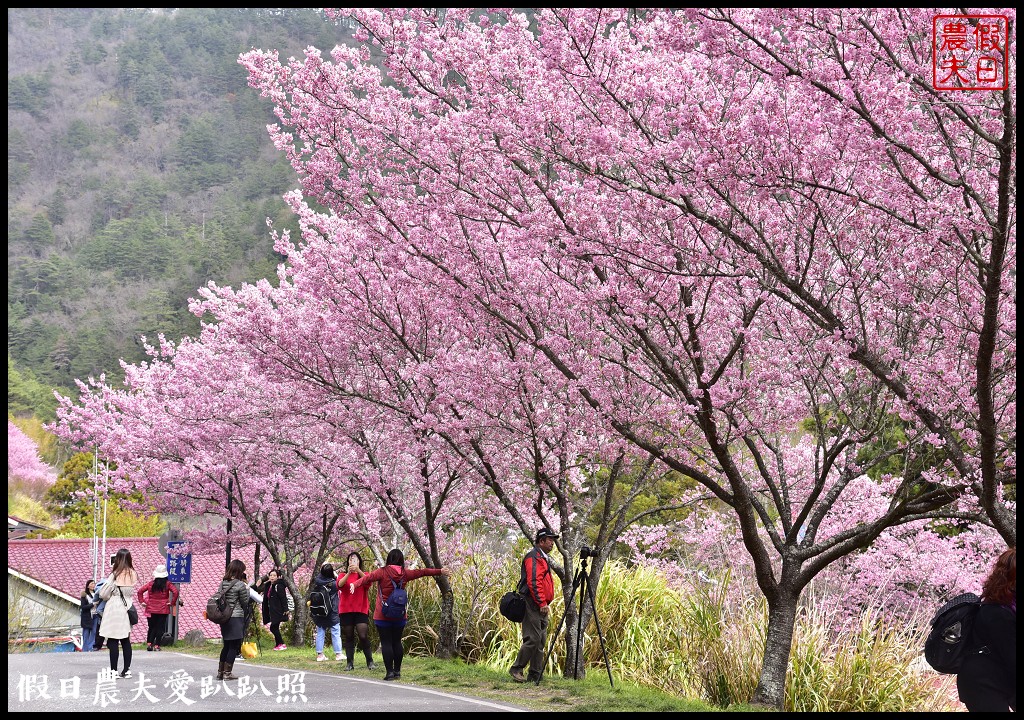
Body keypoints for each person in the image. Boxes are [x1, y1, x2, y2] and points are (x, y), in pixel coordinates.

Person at [350, 548, 451, 681]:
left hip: (382, 614)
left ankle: (389, 673)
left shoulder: (382, 571)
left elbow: (368, 578)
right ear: (401, 560)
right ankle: (397, 671)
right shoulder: (405, 573)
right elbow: (422, 572)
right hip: (399, 614)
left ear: (389, 559)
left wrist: (354, 584)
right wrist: (440, 571)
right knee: (397, 642)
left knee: (386, 643)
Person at [957, 546, 1016, 712]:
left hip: (995, 681)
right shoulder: (998, 613)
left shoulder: (1003, 607)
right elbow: (1012, 657)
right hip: (983, 685)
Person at [509, 528, 559, 683]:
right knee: (533, 638)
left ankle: (535, 675)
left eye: (553, 539)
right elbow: (533, 581)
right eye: (549, 539)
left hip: (541, 604)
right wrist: (541, 602)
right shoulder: (534, 557)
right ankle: (517, 669)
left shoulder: (542, 557)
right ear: (541, 541)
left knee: (541, 640)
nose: (552, 542)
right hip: (533, 602)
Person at [216, 559, 262, 680]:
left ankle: (220, 672)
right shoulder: (240, 584)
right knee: (234, 645)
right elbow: (244, 602)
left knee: (226, 645)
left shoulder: (223, 583)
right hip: (236, 617)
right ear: (239, 571)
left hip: (224, 617)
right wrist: (247, 590)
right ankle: (227, 673)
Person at [98, 548, 140, 678]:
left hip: (114, 607)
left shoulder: (115, 574)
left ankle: (114, 671)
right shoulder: (133, 574)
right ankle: (127, 670)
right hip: (127, 606)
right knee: (125, 640)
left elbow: (103, 594)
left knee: (113, 640)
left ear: (117, 559)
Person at [338, 552, 375, 670]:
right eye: (350, 559)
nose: (352, 561)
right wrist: (349, 573)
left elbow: (368, 582)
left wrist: (358, 570)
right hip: (346, 609)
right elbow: (339, 585)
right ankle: (350, 663)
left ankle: (370, 661)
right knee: (348, 636)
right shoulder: (342, 574)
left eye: (355, 559)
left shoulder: (364, 574)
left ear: (359, 561)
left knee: (363, 635)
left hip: (361, 609)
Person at [137, 563, 179, 652]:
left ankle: (149, 643)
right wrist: (172, 603)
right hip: (163, 609)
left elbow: (140, 591)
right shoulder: (168, 584)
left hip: (151, 608)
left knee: (152, 627)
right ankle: (157, 645)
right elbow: (175, 592)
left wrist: (142, 602)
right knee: (160, 627)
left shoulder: (150, 584)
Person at [309, 563, 343, 662]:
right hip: (332, 611)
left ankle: (320, 655)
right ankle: (338, 654)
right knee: (335, 632)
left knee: (320, 632)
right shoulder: (333, 584)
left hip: (319, 610)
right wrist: (336, 576)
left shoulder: (317, 581)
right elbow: (340, 585)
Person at [253, 568, 292, 650]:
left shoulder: (279, 585)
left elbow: (283, 598)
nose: (272, 577)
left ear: (278, 577)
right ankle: (278, 644)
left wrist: (286, 609)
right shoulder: (268, 585)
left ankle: (281, 643)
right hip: (272, 610)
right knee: (275, 627)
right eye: (271, 575)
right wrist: (260, 582)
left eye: (274, 575)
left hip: (278, 610)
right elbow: (260, 590)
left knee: (273, 627)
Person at [80, 579, 98, 652]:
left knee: (94, 631)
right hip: (87, 616)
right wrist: (92, 604)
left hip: (95, 614)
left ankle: (90, 647)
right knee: (86, 632)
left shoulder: (96, 593)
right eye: (91, 584)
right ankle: (85, 648)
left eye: (94, 583)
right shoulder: (84, 595)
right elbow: (83, 607)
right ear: (88, 585)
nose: (93, 585)